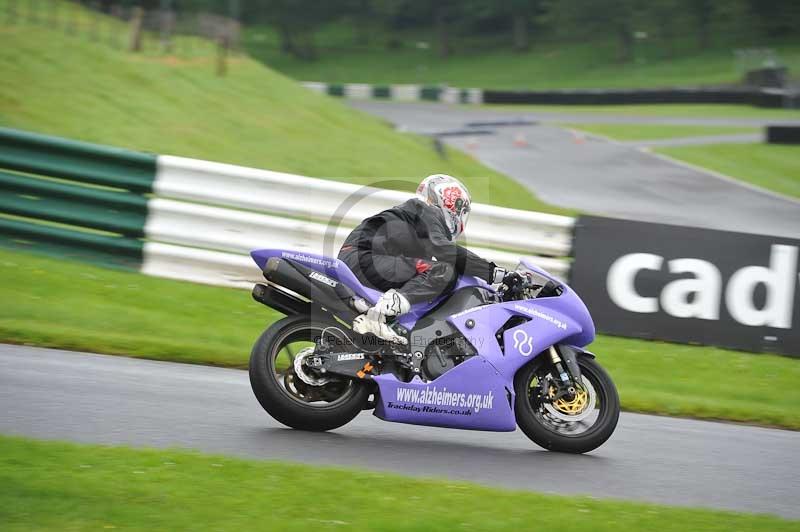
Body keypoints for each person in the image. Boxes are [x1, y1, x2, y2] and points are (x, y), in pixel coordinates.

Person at [338, 174, 518, 344]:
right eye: (460, 210)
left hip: (364, 257)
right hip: (363, 257)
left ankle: (387, 322)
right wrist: (493, 273)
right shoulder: (426, 210)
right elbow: (445, 251)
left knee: (431, 277)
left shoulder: (416, 216)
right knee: (442, 271)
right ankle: (376, 319)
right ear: (451, 203)